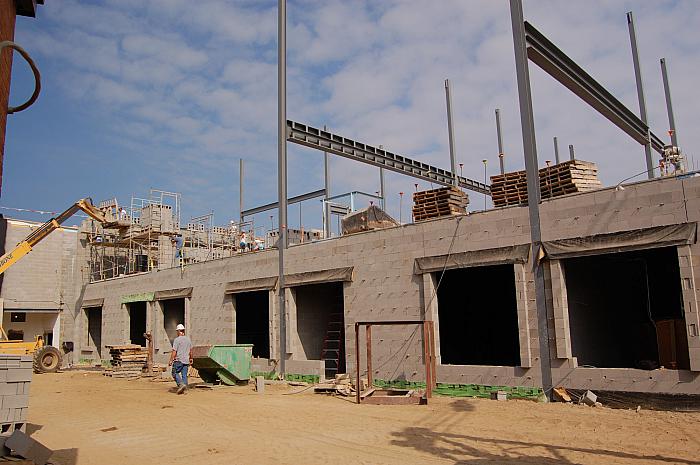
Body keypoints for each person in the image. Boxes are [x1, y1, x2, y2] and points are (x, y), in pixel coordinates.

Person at [168, 324, 192, 394]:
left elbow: (174, 351)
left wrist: (171, 360)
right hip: (186, 361)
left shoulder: (177, 340)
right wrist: (191, 358)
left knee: (174, 373)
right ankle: (185, 389)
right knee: (184, 375)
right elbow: (191, 351)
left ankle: (181, 385)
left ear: (178, 331)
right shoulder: (188, 340)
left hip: (179, 360)